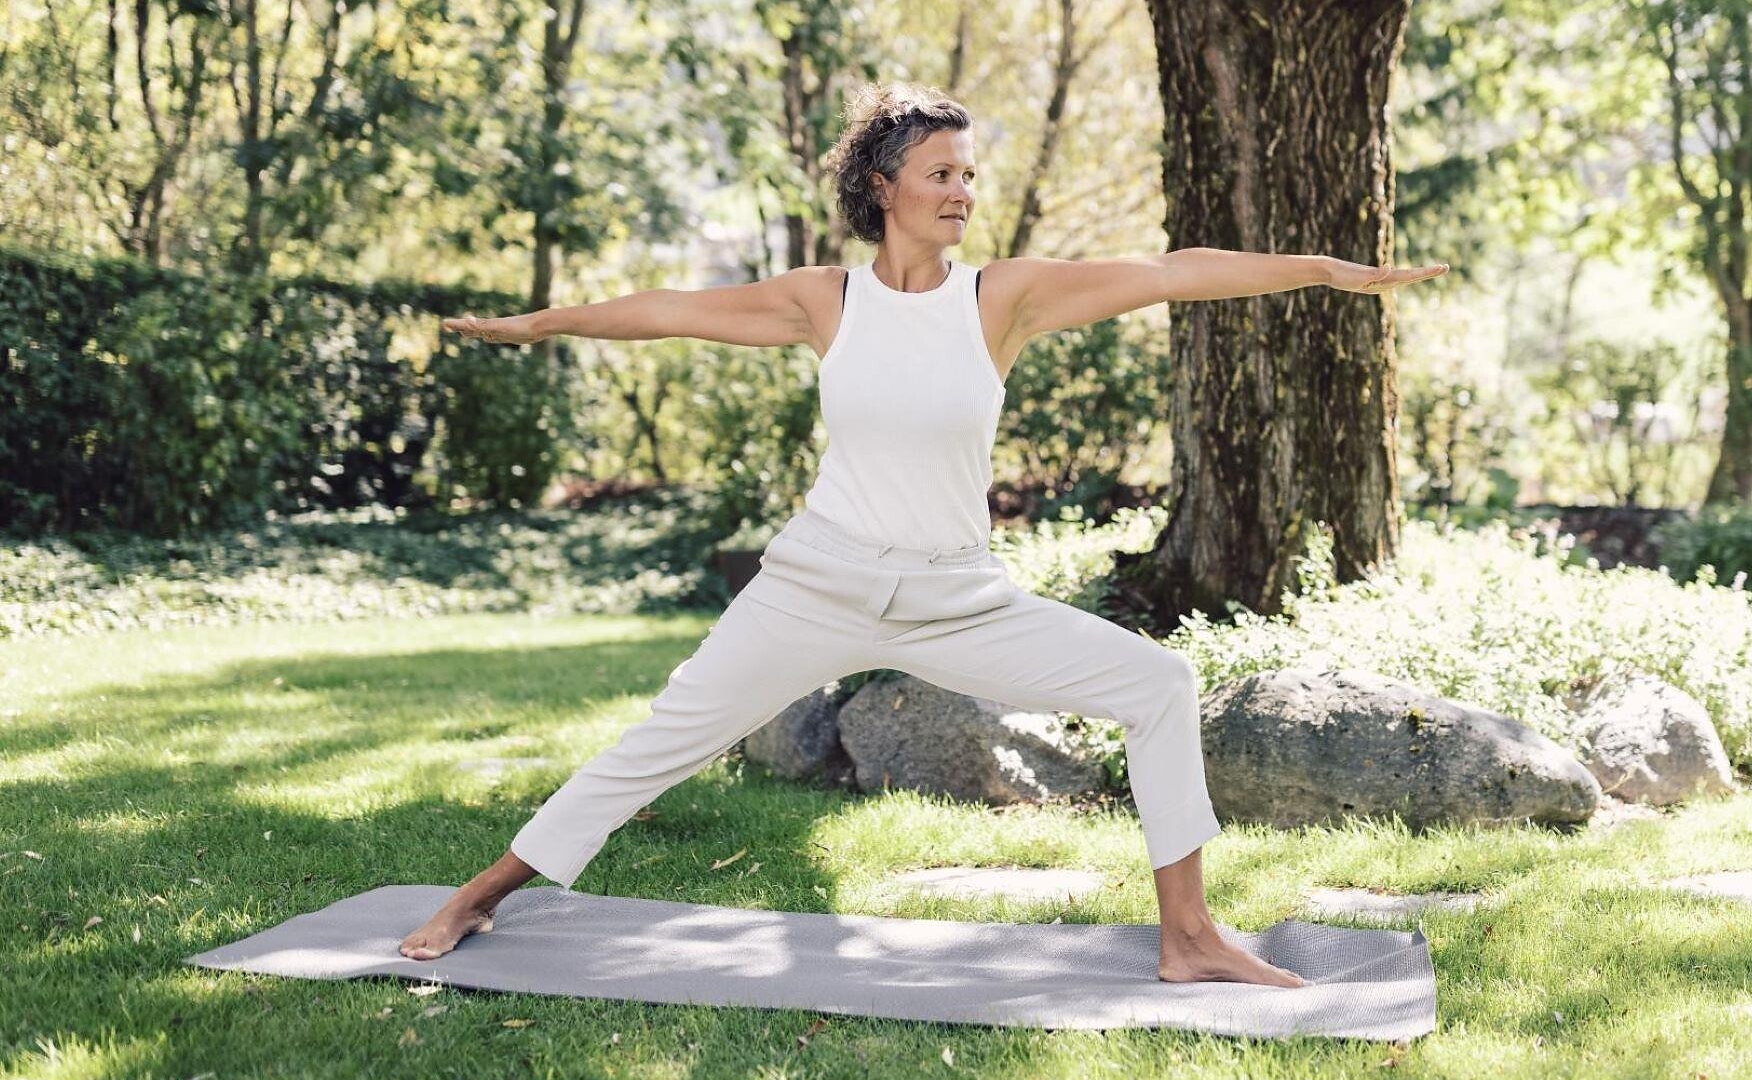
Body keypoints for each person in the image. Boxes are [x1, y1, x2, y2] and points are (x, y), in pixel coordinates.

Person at [400, 80, 1447, 985]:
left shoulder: (1002, 299)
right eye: (942, 173)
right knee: (663, 741)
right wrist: (539, 325)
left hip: (957, 598)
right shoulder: (827, 301)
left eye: (968, 175)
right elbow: (671, 308)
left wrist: (1321, 267)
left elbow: (1170, 272)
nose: (962, 193)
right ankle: (483, 894)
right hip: (818, 585)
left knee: (1157, 685)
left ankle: (1191, 936)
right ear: (883, 186)